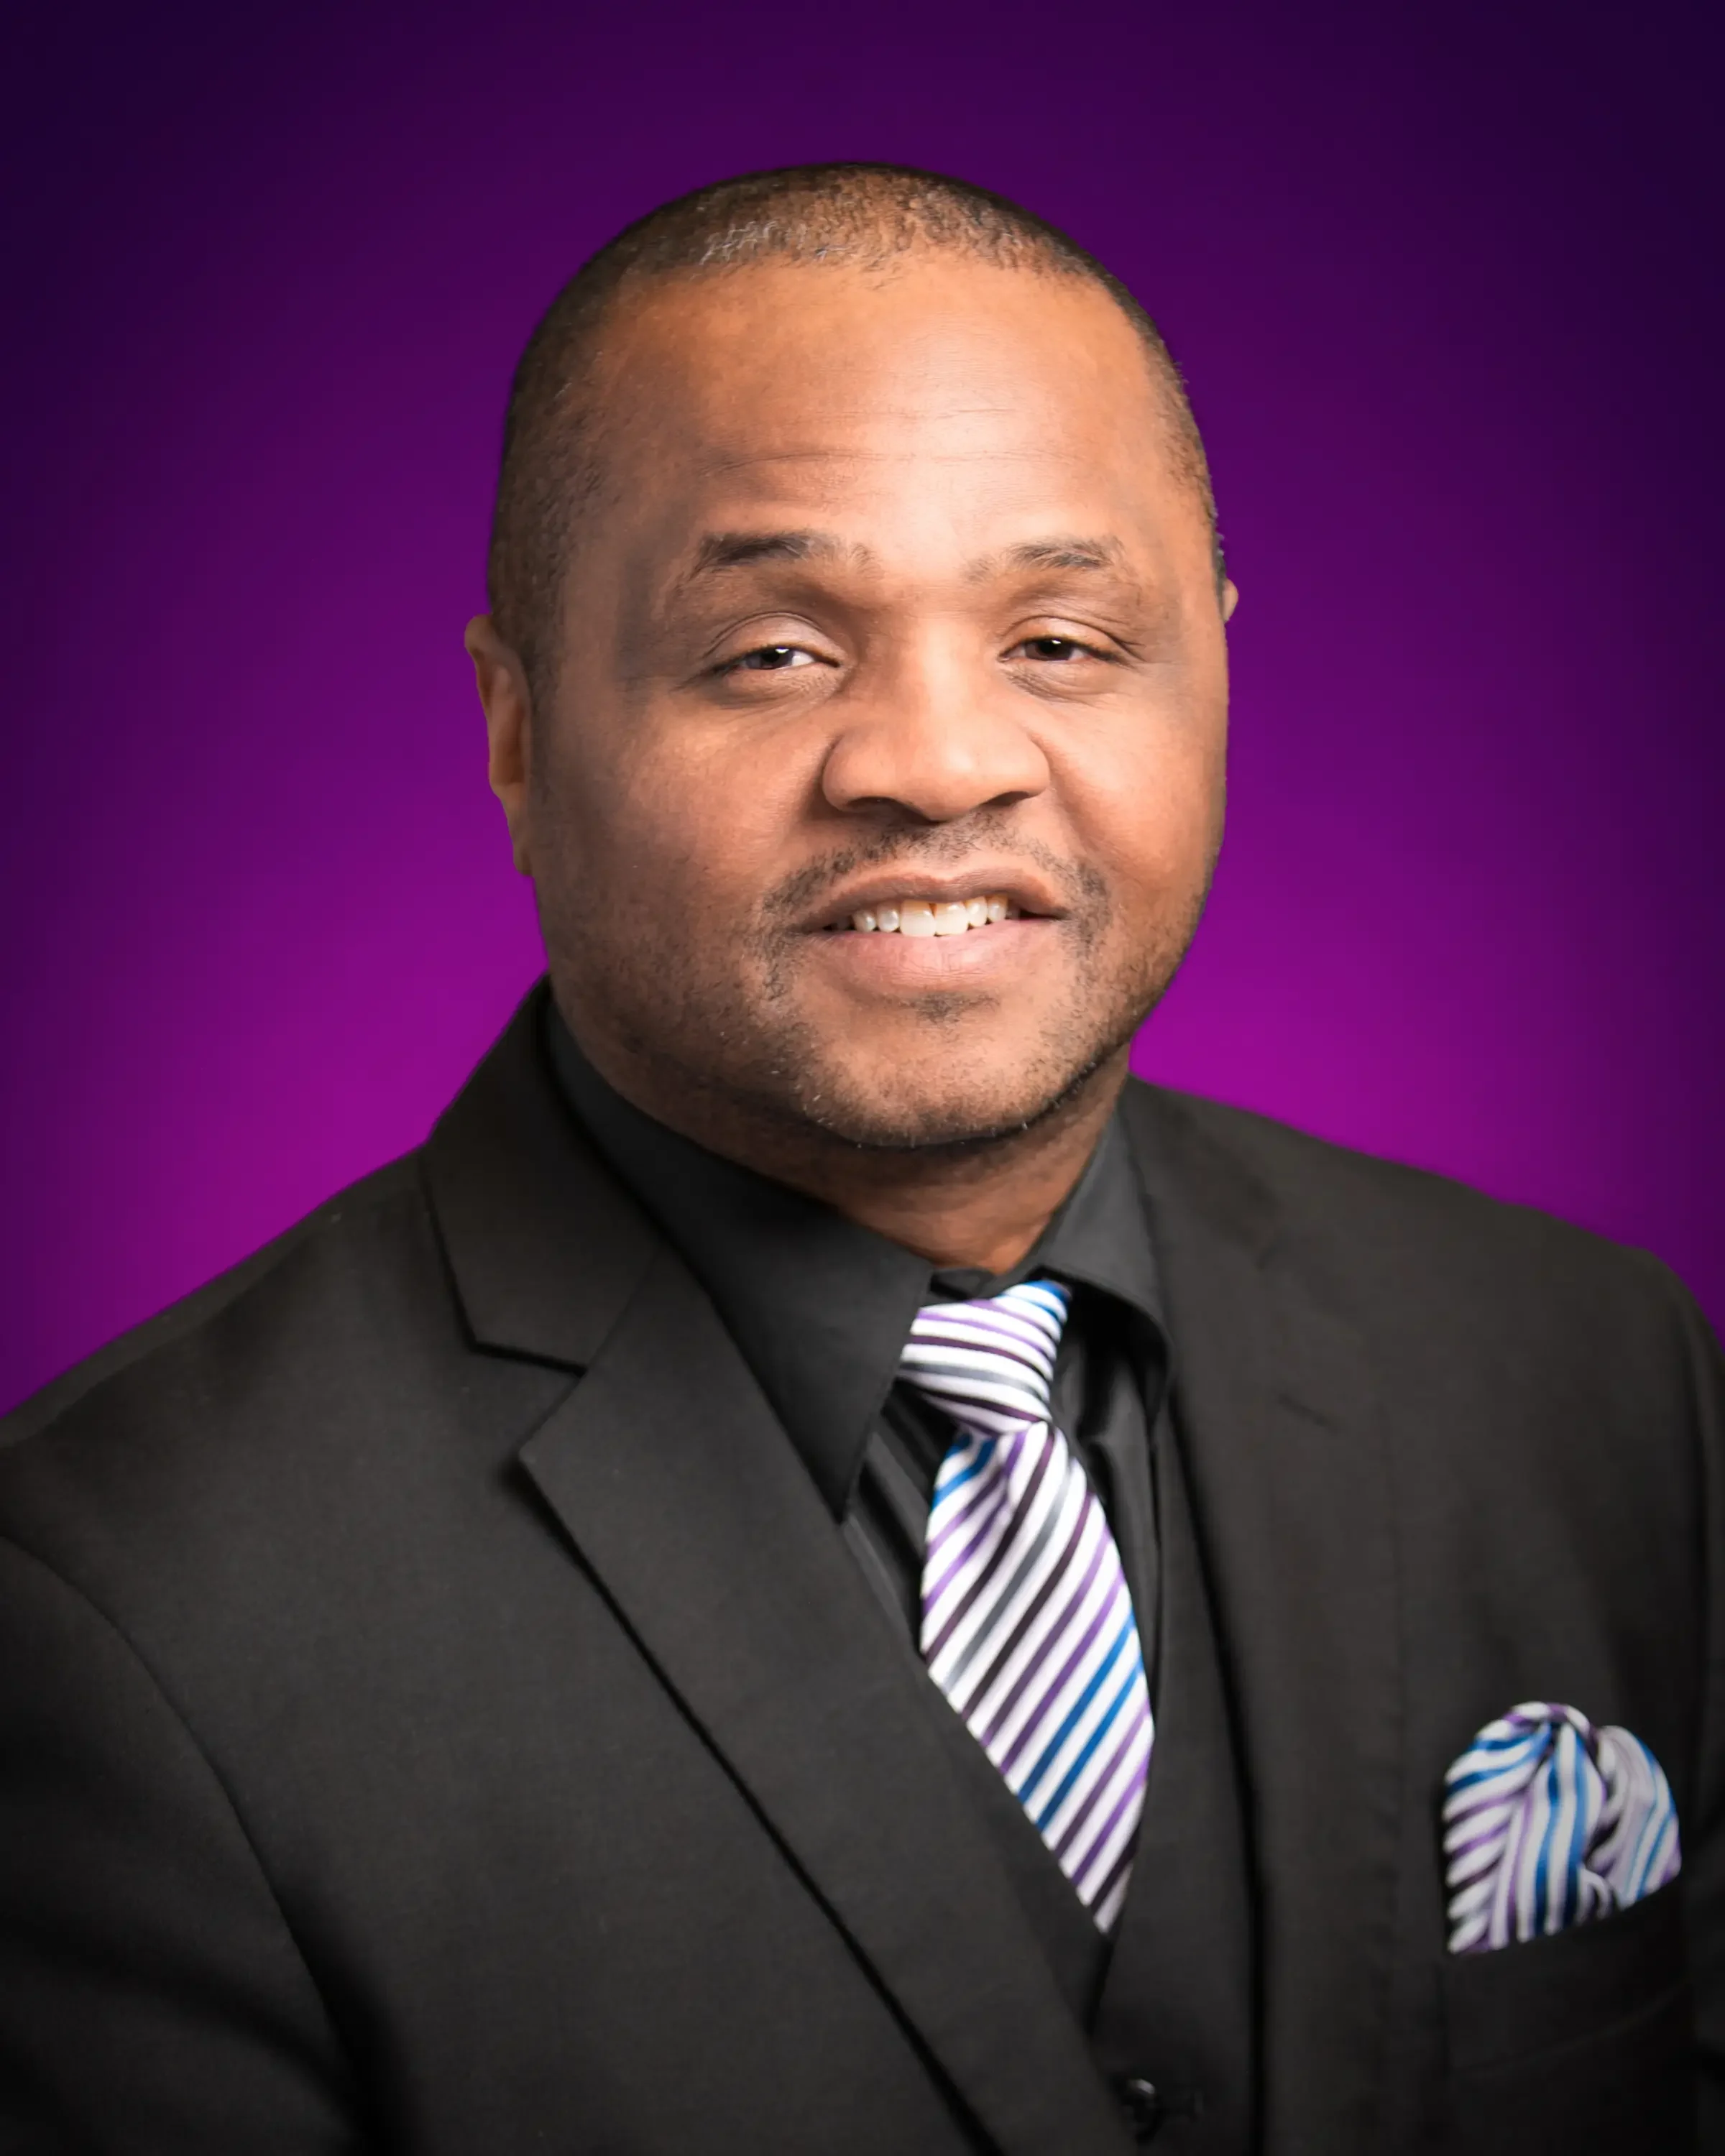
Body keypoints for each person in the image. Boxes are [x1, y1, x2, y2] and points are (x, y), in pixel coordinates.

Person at [0, 163, 1719, 2156]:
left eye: (1064, 641)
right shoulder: (114, 1619)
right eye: (777, 653)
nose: (936, 759)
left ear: (1222, 669)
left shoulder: (1593, 1382)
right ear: (517, 732)